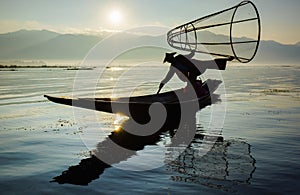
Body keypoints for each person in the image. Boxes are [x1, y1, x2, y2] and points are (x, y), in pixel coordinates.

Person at [157, 52, 233, 96]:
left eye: (170, 59)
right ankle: (194, 91)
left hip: (196, 66)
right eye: (169, 60)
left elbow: (190, 55)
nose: (170, 61)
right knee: (191, 84)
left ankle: (227, 59)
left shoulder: (180, 57)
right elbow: (167, 78)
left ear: (172, 57)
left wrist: (192, 51)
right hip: (190, 74)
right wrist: (161, 85)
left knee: (211, 63)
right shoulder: (173, 67)